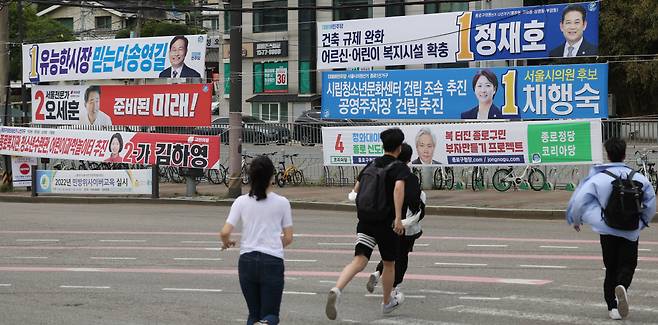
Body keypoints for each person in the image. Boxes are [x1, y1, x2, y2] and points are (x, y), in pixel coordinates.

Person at [566, 137, 655, 320]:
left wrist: (576, 220)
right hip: (631, 229)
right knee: (629, 264)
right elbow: (651, 203)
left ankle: (612, 307)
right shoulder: (639, 177)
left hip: (607, 229)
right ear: (624, 154)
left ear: (607, 154)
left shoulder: (598, 178)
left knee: (611, 268)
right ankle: (622, 286)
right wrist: (642, 222)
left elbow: (580, 200)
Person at [325, 127, 409, 320]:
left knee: (360, 260)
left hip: (365, 220)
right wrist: (397, 218)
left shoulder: (371, 164)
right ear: (399, 147)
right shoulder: (399, 167)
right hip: (386, 223)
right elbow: (398, 189)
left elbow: (356, 189)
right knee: (389, 263)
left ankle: (337, 289)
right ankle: (387, 301)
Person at [220, 155, 293, 325]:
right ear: (272, 177)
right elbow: (288, 238)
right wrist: (273, 243)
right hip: (272, 261)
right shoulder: (282, 203)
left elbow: (224, 232)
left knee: (253, 314)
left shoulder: (241, 202)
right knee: (271, 314)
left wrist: (227, 242)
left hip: (247, 261)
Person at [362, 142, 425, 302]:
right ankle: (395, 289)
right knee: (401, 257)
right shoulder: (408, 177)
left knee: (390, 254)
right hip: (403, 224)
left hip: (386, 221)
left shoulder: (384, 172)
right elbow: (413, 201)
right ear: (409, 159)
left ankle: (377, 273)